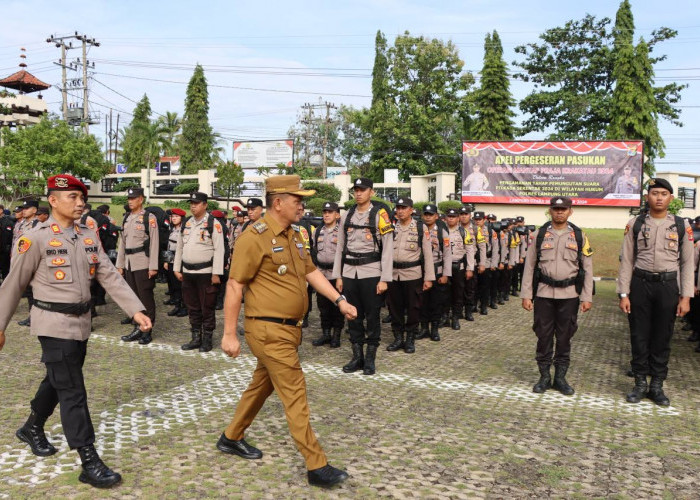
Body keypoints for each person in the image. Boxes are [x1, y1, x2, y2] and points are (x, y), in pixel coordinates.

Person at [0, 174, 151, 488]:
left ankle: (32, 427)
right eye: (72, 196)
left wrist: (135, 309)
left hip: (81, 323)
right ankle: (88, 459)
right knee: (73, 391)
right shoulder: (36, 238)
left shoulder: (87, 234)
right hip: (52, 323)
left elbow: (108, 275)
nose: (80, 202)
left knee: (58, 380)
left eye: (82, 197)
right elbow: (13, 285)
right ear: (53, 200)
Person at [218, 175, 357, 488]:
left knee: (261, 386)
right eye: (297, 199)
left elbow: (310, 271)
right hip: (268, 331)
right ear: (277, 202)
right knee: (295, 393)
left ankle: (231, 436)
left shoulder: (294, 235)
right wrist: (229, 333)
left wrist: (339, 300)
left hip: (288, 331)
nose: (302, 204)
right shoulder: (254, 237)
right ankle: (316, 465)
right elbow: (235, 285)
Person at [617, 178, 694, 406]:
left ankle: (657, 386)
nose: (659, 197)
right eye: (654, 193)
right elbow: (626, 260)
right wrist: (623, 293)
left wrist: (686, 296)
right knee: (639, 335)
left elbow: (688, 264)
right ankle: (640, 383)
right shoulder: (636, 224)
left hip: (668, 286)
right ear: (647, 197)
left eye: (663, 193)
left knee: (663, 336)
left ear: (671, 198)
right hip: (640, 284)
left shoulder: (682, 225)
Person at [521, 196, 594, 396]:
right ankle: (544, 377)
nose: (559, 212)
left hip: (570, 295)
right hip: (544, 294)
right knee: (543, 336)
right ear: (550, 210)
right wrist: (526, 294)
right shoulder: (539, 234)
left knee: (564, 337)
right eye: (556, 208)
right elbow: (529, 266)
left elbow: (587, 268)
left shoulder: (579, 236)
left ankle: (560, 378)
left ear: (570, 211)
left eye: (563, 209)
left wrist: (587, 297)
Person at [332, 177, 394, 376]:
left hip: (372, 272)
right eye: (356, 190)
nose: (358, 193)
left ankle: (370, 358)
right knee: (352, 315)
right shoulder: (346, 215)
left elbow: (387, 249)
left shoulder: (380, 215)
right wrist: (338, 275)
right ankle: (356, 356)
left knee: (372, 316)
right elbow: (340, 247)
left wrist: (384, 278)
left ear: (371, 192)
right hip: (350, 272)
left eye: (363, 190)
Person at [174, 192, 225, 352]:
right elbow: (179, 247)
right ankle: (196, 337)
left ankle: (207, 339)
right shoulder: (187, 223)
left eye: (196, 203)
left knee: (207, 307)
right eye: (191, 203)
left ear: (205, 205)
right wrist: (177, 267)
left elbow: (219, 249)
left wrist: (216, 273)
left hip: (206, 272)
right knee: (192, 306)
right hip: (188, 272)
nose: (193, 206)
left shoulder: (213, 223)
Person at [386, 197, 434, 353]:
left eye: (404, 208)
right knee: (394, 308)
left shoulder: (421, 228)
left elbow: (427, 255)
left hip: (413, 274)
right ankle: (398, 338)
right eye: (398, 208)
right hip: (393, 274)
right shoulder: (391, 227)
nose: (400, 211)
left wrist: (428, 278)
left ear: (411, 210)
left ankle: (410, 339)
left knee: (413, 308)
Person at [115, 187, 159, 345]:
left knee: (145, 298)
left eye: (133, 198)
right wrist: (119, 264)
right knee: (133, 298)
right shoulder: (127, 217)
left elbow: (154, 243)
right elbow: (122, 243)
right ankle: (137, 327)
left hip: (143, 262)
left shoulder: (149, 217)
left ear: (141, 199)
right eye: (129, 199)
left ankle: (147, 330)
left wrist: (153, 266)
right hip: (128, 263)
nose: (130, 201)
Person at [310, 201, 345, 348]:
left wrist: (341, 277)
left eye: (330, 212)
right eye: (324, 212)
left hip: (336, 275)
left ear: (337, 214)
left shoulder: (342, 232)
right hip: (321, 274)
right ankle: (326, 334)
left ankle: (336, 336)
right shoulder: (317, 231)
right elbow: (313, 251)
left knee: (337, 306)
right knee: (323, 306)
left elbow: (344, 254)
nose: (326, 214)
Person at [445, 207, 474, 330]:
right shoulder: (442, 230)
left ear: (457, 219)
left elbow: (470, 250)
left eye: (453, 217)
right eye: (449, 216)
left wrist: (470, 268)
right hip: (444, 267)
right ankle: (445, 317)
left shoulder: (464, 232)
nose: (451, 219)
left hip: (458, 266)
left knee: (458, 293)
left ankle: (455, 317)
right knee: (444, 292)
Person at [163, 208, 188, 317]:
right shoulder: (172, 229)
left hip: (180, 259)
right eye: (172, 217)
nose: (174, 218)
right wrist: (166, 261)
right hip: (171, 259)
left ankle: (184, 307)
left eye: (176, 217)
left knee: (181, 285)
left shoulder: (184, 230)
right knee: (174, 284)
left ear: (181, 218)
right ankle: (177, 305)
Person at [459, 206, 477, 321]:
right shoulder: (455, 228)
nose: (464, 216)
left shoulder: (475, 229)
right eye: (461, 214)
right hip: (458, 260)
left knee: (469, 288)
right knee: (458, 287)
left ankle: (468, 311)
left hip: (471, 260)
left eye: (466, 214)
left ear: (470, 215)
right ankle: (458, 311)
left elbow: (481, 246)